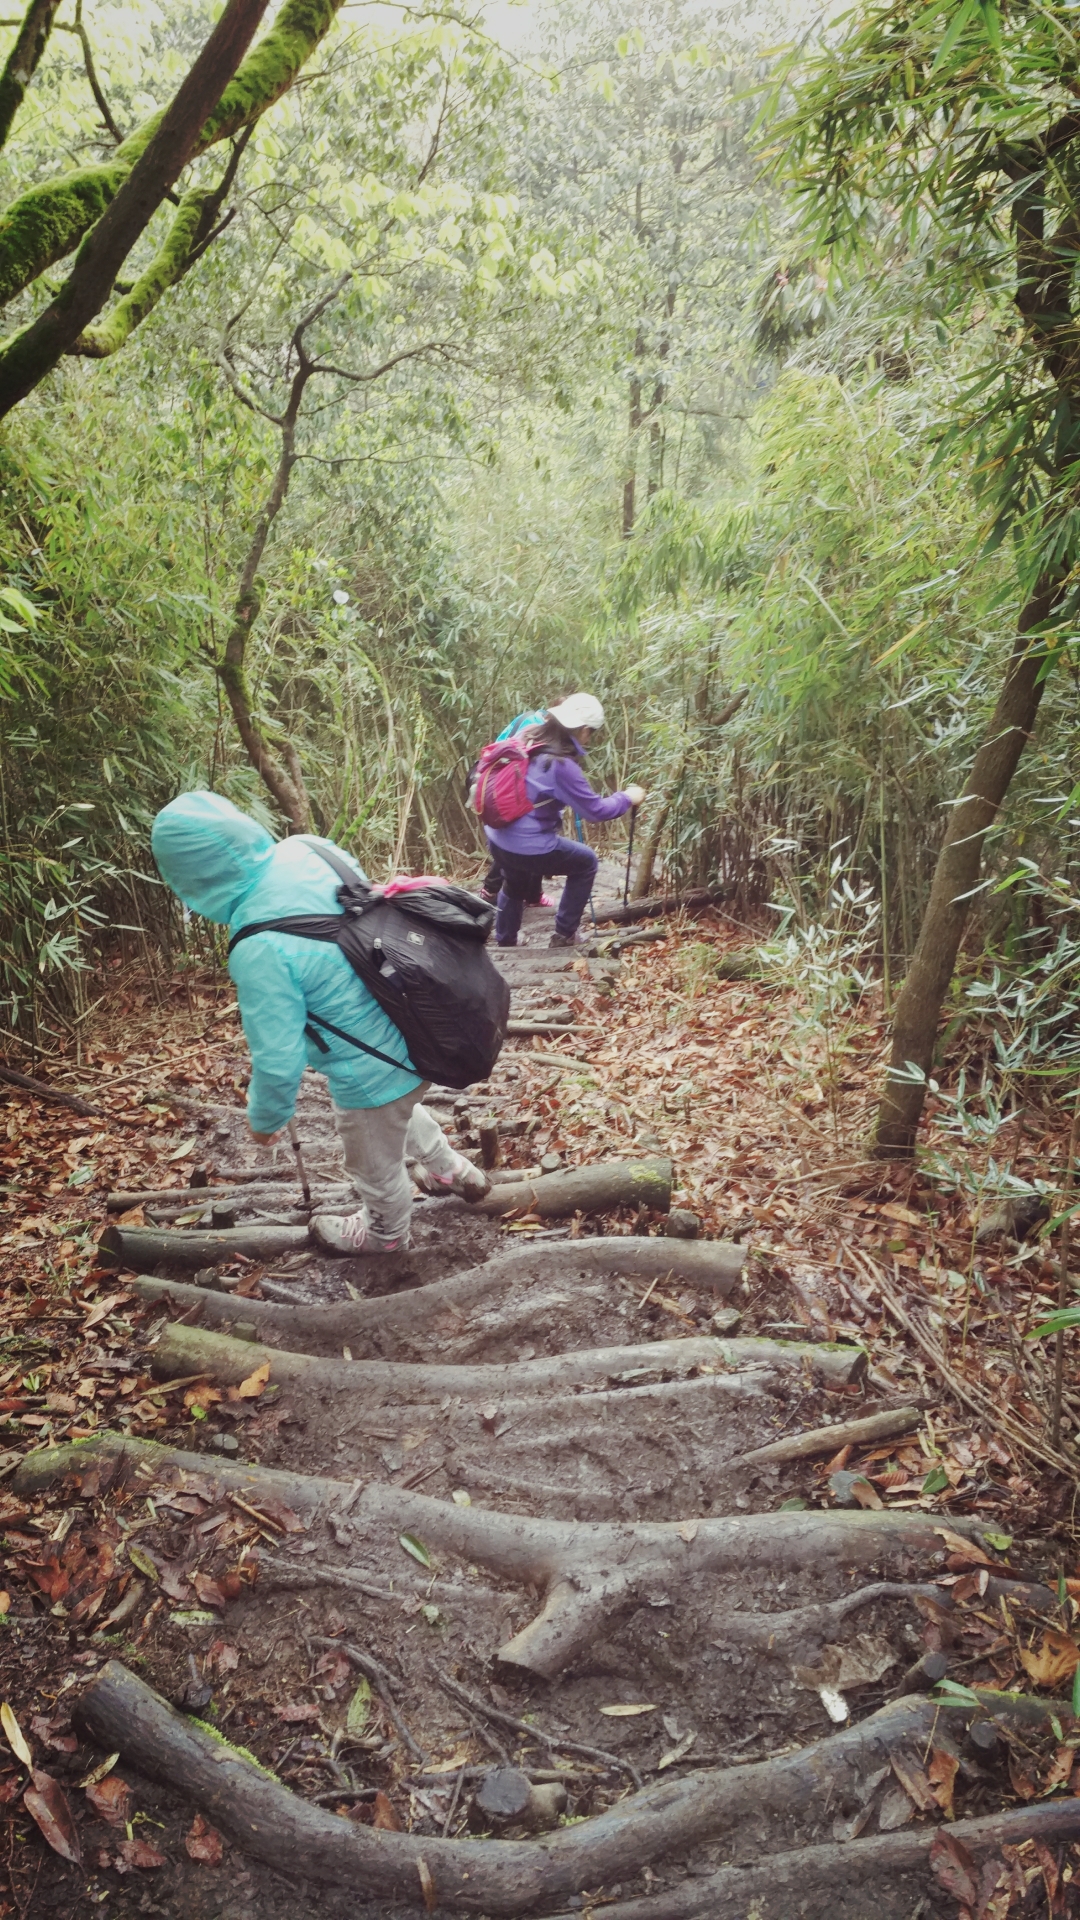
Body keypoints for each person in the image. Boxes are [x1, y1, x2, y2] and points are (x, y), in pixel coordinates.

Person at [150, 791, 487, 1255]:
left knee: (373, 1158)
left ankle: (385, 1234)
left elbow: (278, 1058)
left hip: (369, 1066)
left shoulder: (258, 945)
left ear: (190, 878)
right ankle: (452, 1170)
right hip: (418, 1028)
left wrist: (267, 1118)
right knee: (399, 1108)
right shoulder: (307, 848)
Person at [483, 693, 646, 948]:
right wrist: (626, 798)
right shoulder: (560, 764)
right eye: (590, 732)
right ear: (582, 730)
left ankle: (505, 939)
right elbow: (595, 811)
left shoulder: (529, 736)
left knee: (514, 879)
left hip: (497, 834)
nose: (589, 738)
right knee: (586, 862)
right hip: (525, 845)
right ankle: (564, 934)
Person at [477, 707, 552, 908]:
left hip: (493, 782)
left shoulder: (527, 717)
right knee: (523, 833)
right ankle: (493, 890)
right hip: (508, 788)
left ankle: (530, 893)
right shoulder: (540, 728)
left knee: (522, 833)